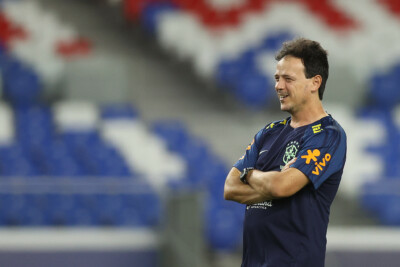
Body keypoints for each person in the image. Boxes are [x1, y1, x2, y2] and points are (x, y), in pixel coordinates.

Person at [224, 38, 347, 267]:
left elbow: (281, 186)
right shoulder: (269, 132)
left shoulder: (329, 135)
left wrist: (249, 174)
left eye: (288, 79)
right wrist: (273, 184)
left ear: (315, 83)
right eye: (277, 78)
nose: (278, 86)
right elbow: (230, 188)